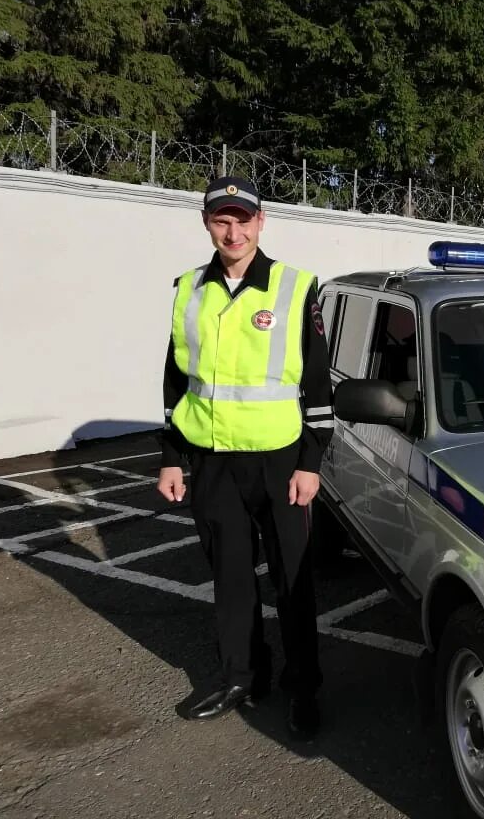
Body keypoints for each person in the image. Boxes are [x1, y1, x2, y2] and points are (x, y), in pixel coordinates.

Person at [156, 176, 334, 740]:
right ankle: (242, 677)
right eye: (220, 220)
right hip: (212, 462)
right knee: (231, 578)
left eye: (242, 220)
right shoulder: (188, 288)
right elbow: (176, 380)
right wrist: (171, 457)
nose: (232, 231)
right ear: (206, 224)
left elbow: (317, 386)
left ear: (262, 222)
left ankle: (303, 687)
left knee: (292, 580)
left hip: (279, 463)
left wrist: (312, 461)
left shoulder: (296, 287)